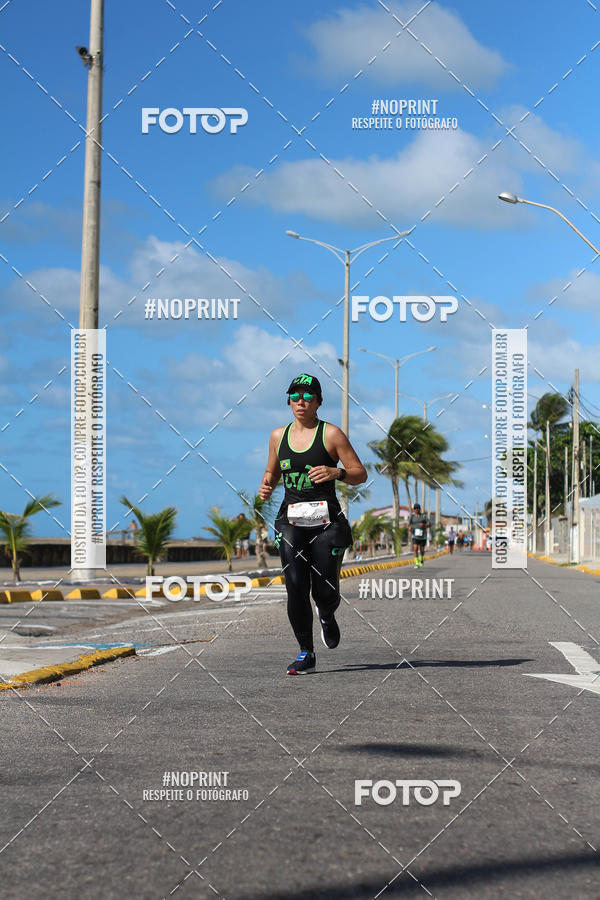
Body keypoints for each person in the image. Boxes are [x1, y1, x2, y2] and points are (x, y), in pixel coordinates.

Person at [258, 374, 367, 675]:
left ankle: (327, 614)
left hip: (326, 522)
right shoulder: (278, 436)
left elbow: (360, 473)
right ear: (288, 401)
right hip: (292, 519)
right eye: (295, 396)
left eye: (307, 396)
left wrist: (337, 473)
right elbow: (271, 473)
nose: (301, 401)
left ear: (318, 401)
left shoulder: (331, 434)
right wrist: (266, 485)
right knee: (295, 585)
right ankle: (306, 651)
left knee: (324, 590)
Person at [408, 503, 429, 568]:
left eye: (418, 508)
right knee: (415, 549)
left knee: (422, 550)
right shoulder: (412, 517)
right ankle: (417, 563)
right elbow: (408, 525)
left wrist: (424, 525)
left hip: (423, 536)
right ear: (414, 510)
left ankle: (421, 558)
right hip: (415, 535)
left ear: (420, 509)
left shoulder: (423, 516)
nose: (416, 509)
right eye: (415, 508)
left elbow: (429, 524)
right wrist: (409, 528)